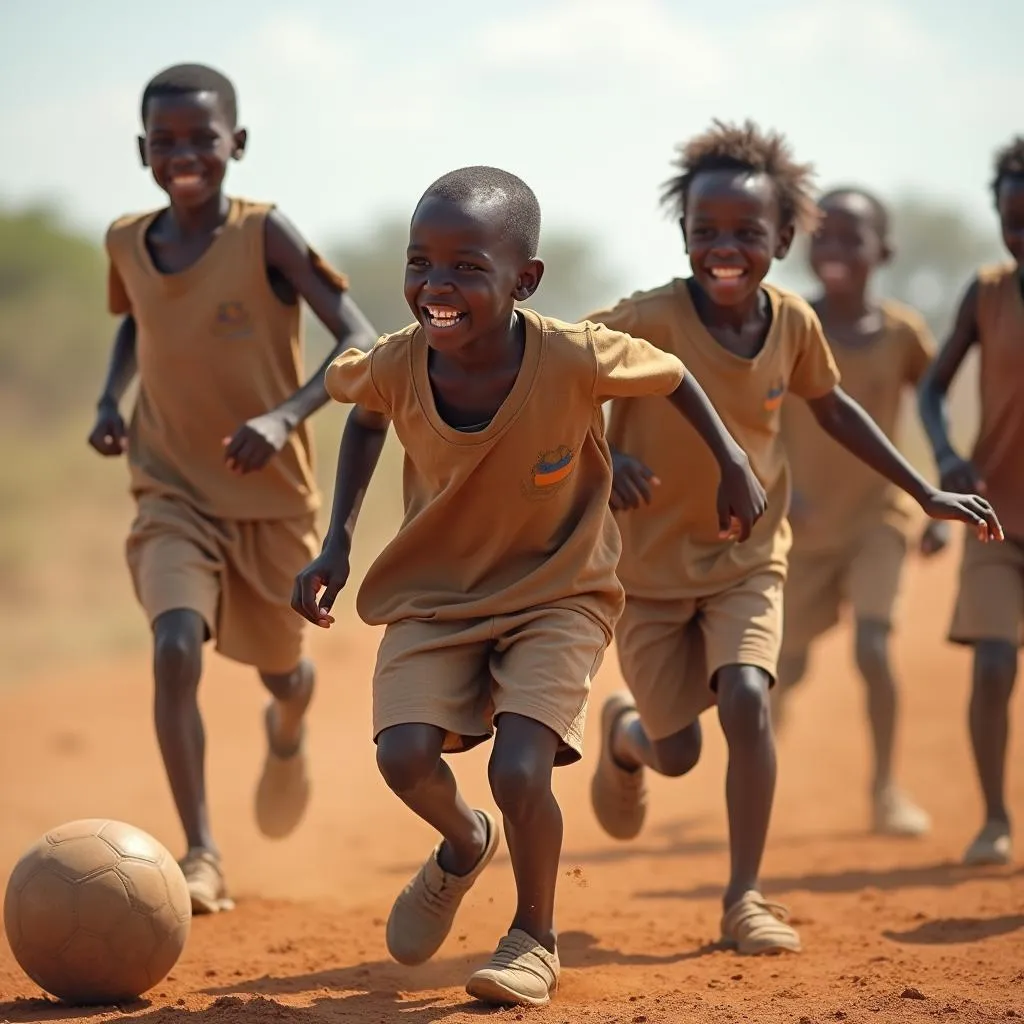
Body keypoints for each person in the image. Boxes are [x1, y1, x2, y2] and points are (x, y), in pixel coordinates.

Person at [292, 165, 767, 1006]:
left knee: (520, 768)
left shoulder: (573, 354)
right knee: (403, 757)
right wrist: (335, 542)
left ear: (525, 279)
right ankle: (463, 843)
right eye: (421, 264)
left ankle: (533, 938)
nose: (437, 286)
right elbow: (365, 415)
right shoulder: (400, 361)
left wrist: (732, 460)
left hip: (560, 590)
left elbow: (672, 376)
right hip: (437, 596)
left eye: (468, 268)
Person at [586, 120, 1003, 957]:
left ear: (782, 238)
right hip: (653, 571)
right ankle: (627, 737)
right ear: (685, 237)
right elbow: (555, 371)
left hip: (748, 554)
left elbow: (834, 406)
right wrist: (605, 458)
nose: (725, 248)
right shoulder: (651, 318)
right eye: (707, 233)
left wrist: (922, 490)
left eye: (747, 233)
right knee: (678, 752)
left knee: (747, 693)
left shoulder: (791, 323)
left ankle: (745, 896)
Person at [87, 63, 378, 913]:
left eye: (202, 140)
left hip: (274, 499)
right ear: (144, 150)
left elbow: (357, 337)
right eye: (166, 141)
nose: (185, 155)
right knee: (175, 644)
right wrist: (112, 398)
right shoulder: (125, 240)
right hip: (171, 490)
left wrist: (286, 416)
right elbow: (137, 320)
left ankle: (289, 723)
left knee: (282, 671)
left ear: (236, 145)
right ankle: (202, 853)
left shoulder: (265, 235)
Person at [773, 187, 946, 838]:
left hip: (880, 516)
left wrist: (939, 490)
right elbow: (752, 416)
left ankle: (885, 790)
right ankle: (767, 740)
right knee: (782, 665)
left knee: (874, 648)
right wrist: (779, 487)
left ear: (885, 251)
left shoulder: (902, 332)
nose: (836, 250)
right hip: (803, 527)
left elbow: (933, 411)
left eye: (853, 238)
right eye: (825, 237)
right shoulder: (790, 324)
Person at [918, 135, 1024, 867]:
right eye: (1014, 221)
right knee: (993, 663)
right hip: (998, 516)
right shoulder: (987, 293)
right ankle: (993, 819)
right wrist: (949, 457)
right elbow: (932, 386)